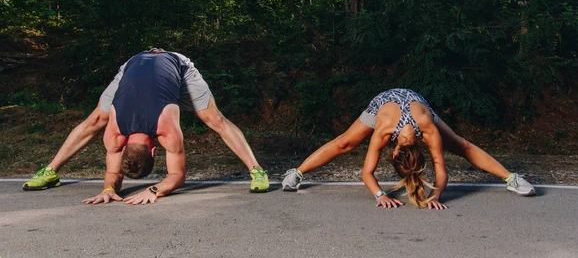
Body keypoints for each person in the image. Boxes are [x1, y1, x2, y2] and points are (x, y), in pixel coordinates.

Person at [23, 49, 269, 193]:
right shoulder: (115, 134)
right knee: (95, 119)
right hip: (133, 65)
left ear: (154, 149)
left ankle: (257, 170)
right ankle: (51, 171)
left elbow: (177, 176)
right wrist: (109, 191)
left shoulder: (165, 129)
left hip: (177, 66)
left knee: (214, 119)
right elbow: (113, 172)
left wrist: (154, 191)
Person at [281, 89, 535, 209]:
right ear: (393, 152)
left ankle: (512, 178)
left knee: (460, 145)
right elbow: (367, 173)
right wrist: (380, 195)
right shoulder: (382, 131)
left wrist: (435, 196)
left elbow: (441, 170)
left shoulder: (427, 129)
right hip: (384, 103)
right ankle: (297, 173)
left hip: (418, 105)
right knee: (345, 142)